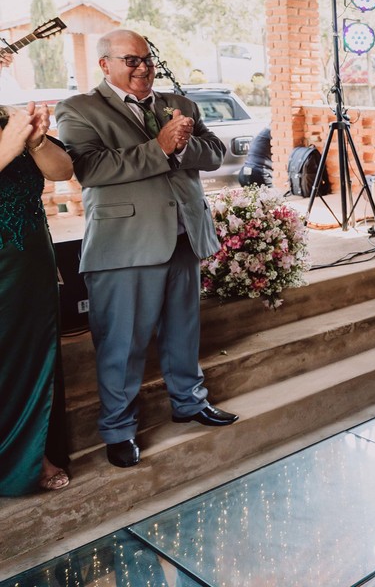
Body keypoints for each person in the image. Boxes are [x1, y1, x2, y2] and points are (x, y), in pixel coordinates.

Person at [55, 29, 238, 470]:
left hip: (183, 236)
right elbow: (91, 169)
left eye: (147, 59)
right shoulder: (79, 109)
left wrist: (182, 145)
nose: (142, 68)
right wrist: (160, 147)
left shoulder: (179, 104)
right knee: (122, 344)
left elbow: (214, 153)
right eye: (131, 60)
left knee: (183, 332)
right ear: (105, 64)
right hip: (125, 245)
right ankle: (118, 429)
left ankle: (189, 402)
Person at [0, 101, 75, 494]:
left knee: (32, 357)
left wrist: (36, 142)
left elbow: (62, 171)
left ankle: (33, 452)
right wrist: (7, 149)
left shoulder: (7, 118)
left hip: (31, 266)